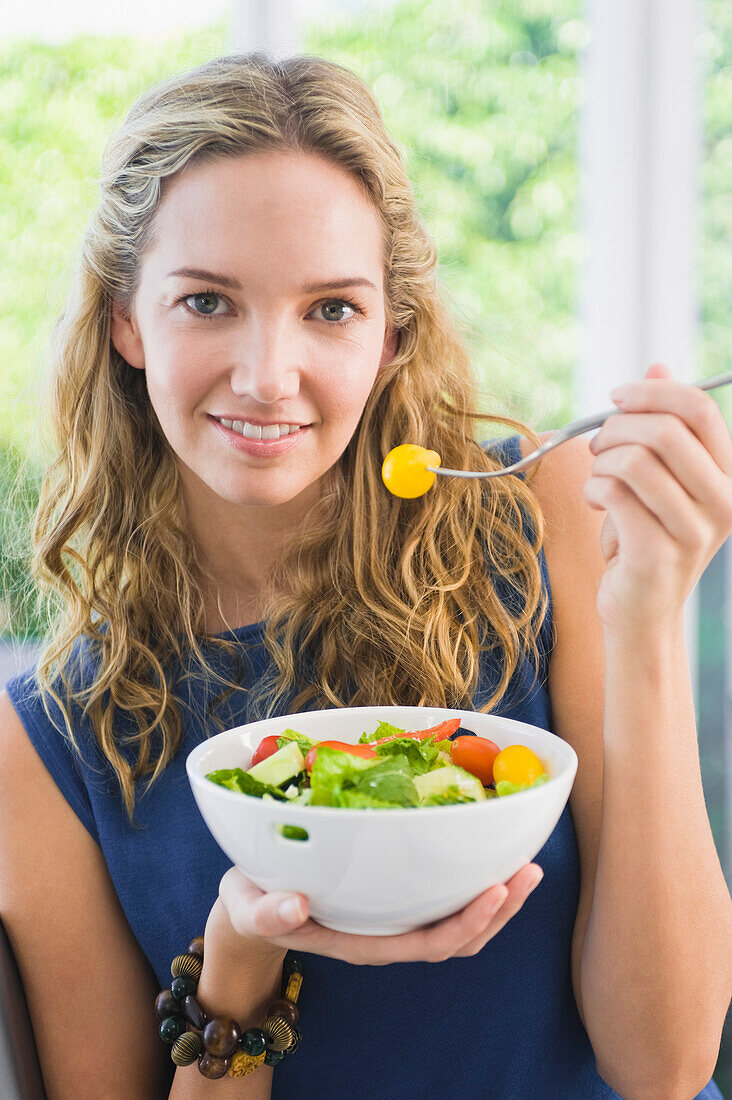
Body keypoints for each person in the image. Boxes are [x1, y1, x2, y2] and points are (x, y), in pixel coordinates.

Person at [0, 51, 730, 1100]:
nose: (267, 374)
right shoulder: (47, 749)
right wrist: (242, 955)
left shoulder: (546, 513)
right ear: (125, 320)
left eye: (330, 309)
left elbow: (662, 1064)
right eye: (208, 301)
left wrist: (652, 616)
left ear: (391, 333)